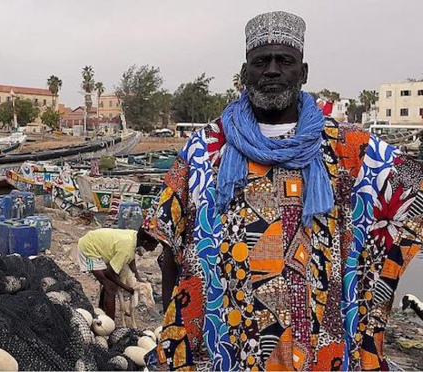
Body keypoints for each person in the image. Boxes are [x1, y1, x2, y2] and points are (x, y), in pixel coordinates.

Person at [142, 10, 423, 371]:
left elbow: (412, 191)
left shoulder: (350, 149)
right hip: (231, 348)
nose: (272, 70)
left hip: (320, 349)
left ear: (302, 72)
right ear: (245, 73)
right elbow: (171, 246)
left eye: (284, 60)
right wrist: (176, 337)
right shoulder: (206, 149)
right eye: (261, 61)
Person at [77, 227, 159, 319]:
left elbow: (131, 260)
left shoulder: (135, 237)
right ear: (145, 243)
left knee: (109, 284)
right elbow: (109, 273)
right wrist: (126, 288)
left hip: (96, 242)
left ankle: (102, 310)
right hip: (88, 248)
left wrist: (138, 277)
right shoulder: (126, 249)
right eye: (153, 246)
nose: (153, 249)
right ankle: (110, 322)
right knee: (110, 287)